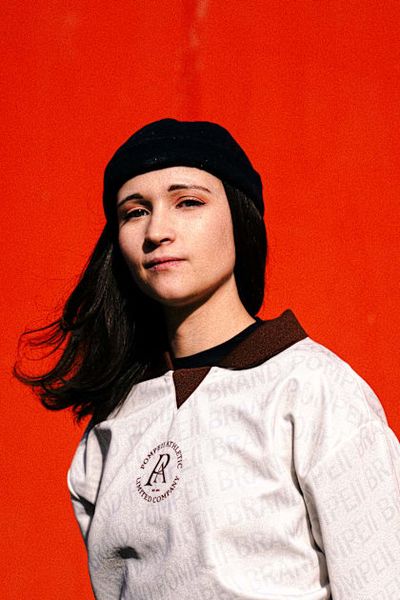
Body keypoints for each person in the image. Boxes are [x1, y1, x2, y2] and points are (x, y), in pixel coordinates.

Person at [15, 119, 400, 599]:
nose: (157, 231)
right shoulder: (113, 426)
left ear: (239, 218)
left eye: (188, 202)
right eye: (135, 212)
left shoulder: (312, 388)